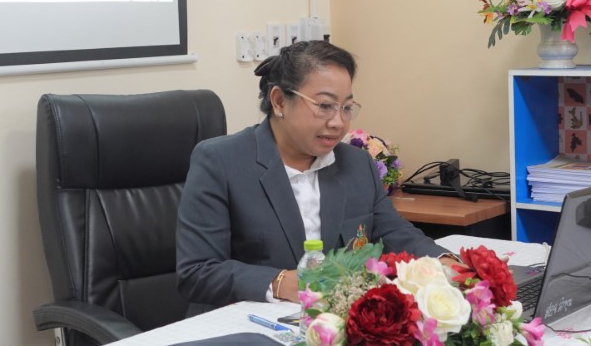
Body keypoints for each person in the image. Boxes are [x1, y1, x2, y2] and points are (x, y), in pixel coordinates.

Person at [176, 40, 456, 315]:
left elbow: (394, 233)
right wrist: (281, 282)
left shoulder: (356, 164)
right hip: (243, 323)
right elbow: (198, 272)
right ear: (279, 101)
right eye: (324, 105)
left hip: (332, 323)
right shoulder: (221, 162)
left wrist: (445, 262)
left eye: (346, 108)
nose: (338, 122)